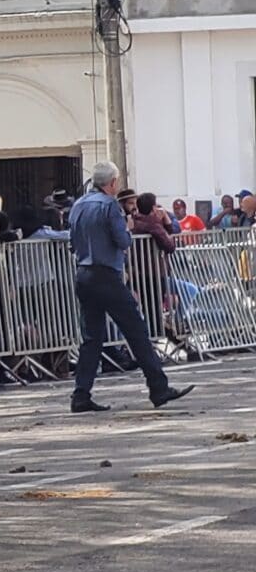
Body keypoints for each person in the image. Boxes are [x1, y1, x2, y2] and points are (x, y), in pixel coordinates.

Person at [69, 162, 192, 413]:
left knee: (91, 338)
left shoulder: (78, 205)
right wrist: (127, 229)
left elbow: (73, 239)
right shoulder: (109, 206)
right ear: (112, 182)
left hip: (84, 273)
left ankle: (80, 394)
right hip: (107, 274)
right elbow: (123, 240)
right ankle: (158, 387)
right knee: (136, 331)